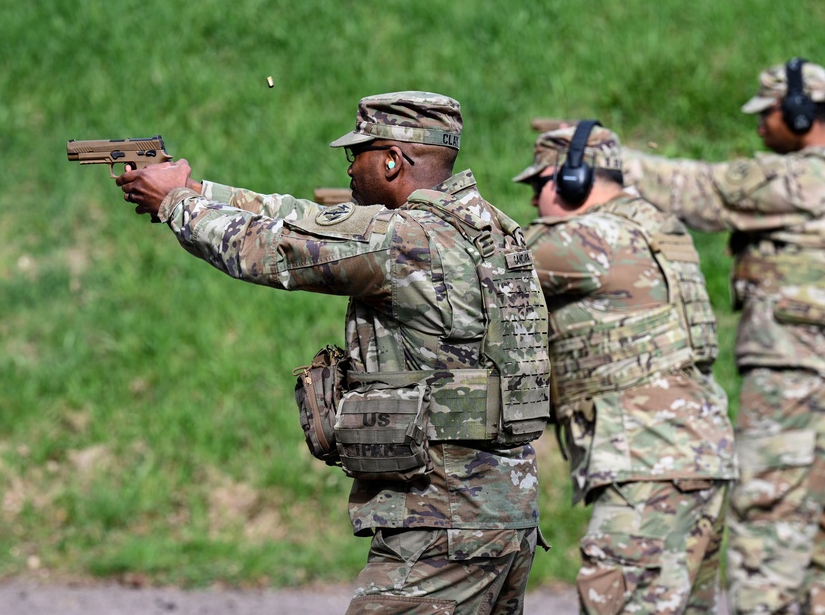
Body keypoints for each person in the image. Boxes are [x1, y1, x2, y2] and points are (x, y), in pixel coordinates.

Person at [115, 91, 553, 615]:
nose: (348, 169)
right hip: (504, 512)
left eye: (358, 155)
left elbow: (270, 249)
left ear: (391, 160)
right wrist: (197, 188)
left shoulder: (401, 241)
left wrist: (175, 204)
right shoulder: (491, 232)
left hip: (440, 523)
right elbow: (306, 219)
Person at [622, 58, 825, 614]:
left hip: (792, 383)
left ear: (798, 112)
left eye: (767, 113)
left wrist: (605, 158)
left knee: (766, 536)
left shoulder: (806, 177)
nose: (759, 127)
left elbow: (700, 191)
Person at [514, 121, 737, 614]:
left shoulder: (587, 239)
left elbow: (479, 265)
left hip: (650, 464)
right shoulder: (655, 226)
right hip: (696, 459)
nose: (533, 202)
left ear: (573, 179)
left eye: (538, 185)